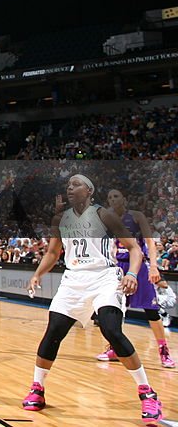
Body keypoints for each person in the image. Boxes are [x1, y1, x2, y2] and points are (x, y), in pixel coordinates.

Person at [22, 175, 163, 423]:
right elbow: (54, 252)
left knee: (111, 330)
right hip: (73, 279)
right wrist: (37, 274)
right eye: (68, 185)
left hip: (104, 277)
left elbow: (134, 248)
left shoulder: (104, 215)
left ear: (89, 191)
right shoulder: (61, 219)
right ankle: (37, 388)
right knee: (53, 330)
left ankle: (148, 393)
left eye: (76, 184)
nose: (70, 188)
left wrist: (131, 273)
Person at [94, 189, 174, 368]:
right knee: (113, 310)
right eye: (110, 197)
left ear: (124, 198)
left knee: (151, 311)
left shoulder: (137, 216)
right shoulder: (108, 219)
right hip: (118, 267)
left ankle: (164, 351)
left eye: (116, 196)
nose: (113, 199)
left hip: (138, 267)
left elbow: (150, 242)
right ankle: (114, 348)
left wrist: (153, 266)